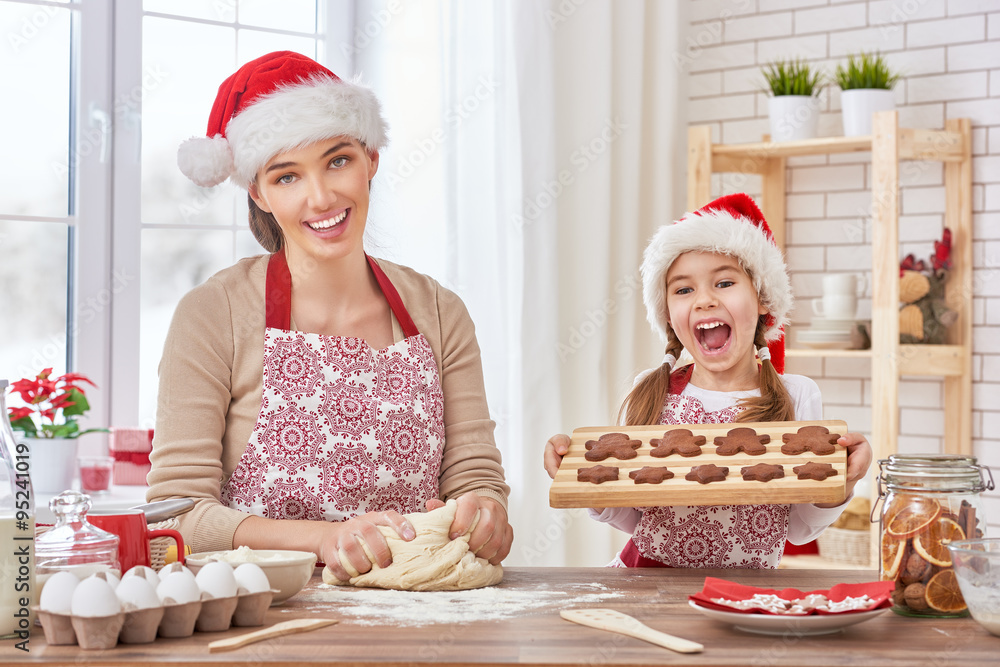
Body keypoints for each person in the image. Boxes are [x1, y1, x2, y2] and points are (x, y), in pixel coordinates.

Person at [147, 51, 513, 582]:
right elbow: (176, 515)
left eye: (337, 161)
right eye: (287, 176)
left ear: (371, 159)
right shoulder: (214, 314)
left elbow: (475, 474)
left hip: (422, 615)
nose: (321, 197)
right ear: (259, 192)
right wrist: (324, 539)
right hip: (265, 615)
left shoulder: (438, 310)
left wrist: (484, 510)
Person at [543, 193, 872, 569]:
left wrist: (842, 482)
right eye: (684, 289)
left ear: (762, 298)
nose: (703, 300)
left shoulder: (797, 396)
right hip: (646, 582)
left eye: (724, 282)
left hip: (741, 594)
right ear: (669, 314)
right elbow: (633, 518)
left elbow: (798, 530)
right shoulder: (651, 392)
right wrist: (583, 480)